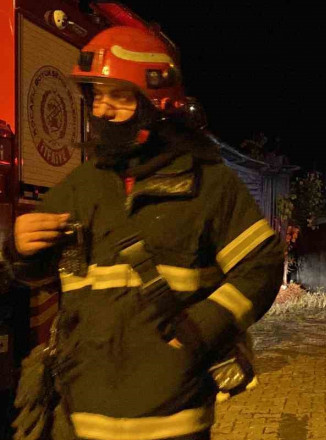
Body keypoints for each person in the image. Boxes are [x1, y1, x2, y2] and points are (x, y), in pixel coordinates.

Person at [10, 26, 282, 439]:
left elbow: (261, 264)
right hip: (80, 416)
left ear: (157, 102)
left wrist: (204, 326)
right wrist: (19, 249)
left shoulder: (207, 184)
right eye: (95, 96)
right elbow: (40, 273)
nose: (101, 111)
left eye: (117, 96)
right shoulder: (81, 185)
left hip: (169, 420)